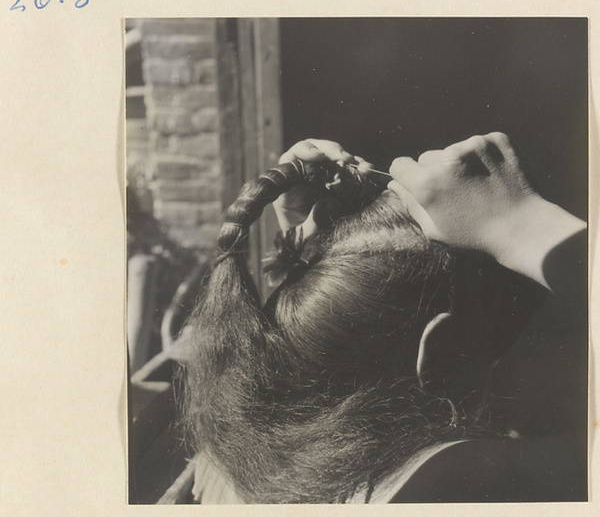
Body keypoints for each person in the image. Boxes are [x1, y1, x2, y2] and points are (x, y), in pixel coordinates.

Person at [180, 132, 587, 503]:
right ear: (441, 356)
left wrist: (306, 262)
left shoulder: (234, 457)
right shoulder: (463, 483)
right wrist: (520, 224)